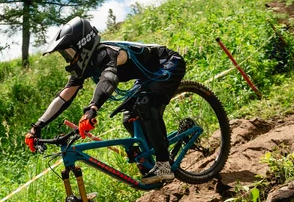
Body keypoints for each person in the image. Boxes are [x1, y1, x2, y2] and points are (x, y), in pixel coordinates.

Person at [25, 16, 186, 184]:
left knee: (145, 104)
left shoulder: (105, 53)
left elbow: (109, 78)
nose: (69, 59)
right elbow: (65, 95)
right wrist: (37, 127)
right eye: (65, 55)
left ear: (83, 44)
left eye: (70, 52)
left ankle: (164, 164)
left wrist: (92, 108)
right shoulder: (86, 65)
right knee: (129, 118)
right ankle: (150, 159)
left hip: (168, 63)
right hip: (147, 77)